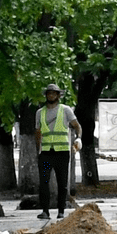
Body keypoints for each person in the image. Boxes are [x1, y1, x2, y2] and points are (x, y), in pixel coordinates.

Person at [35, 83, 80, 219]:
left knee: (62, 183)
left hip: (62, 152)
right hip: (47, 153)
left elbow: (77, 126)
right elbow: (38, 132)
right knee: (44, 182)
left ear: (58, 96)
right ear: (46, 96)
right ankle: (45, 211)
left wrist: (78, 139)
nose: (51, 95)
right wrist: (38, 150)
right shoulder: (40, 112)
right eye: (49, 93)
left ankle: (61, 211)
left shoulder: (65, 110)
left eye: (54, 93)